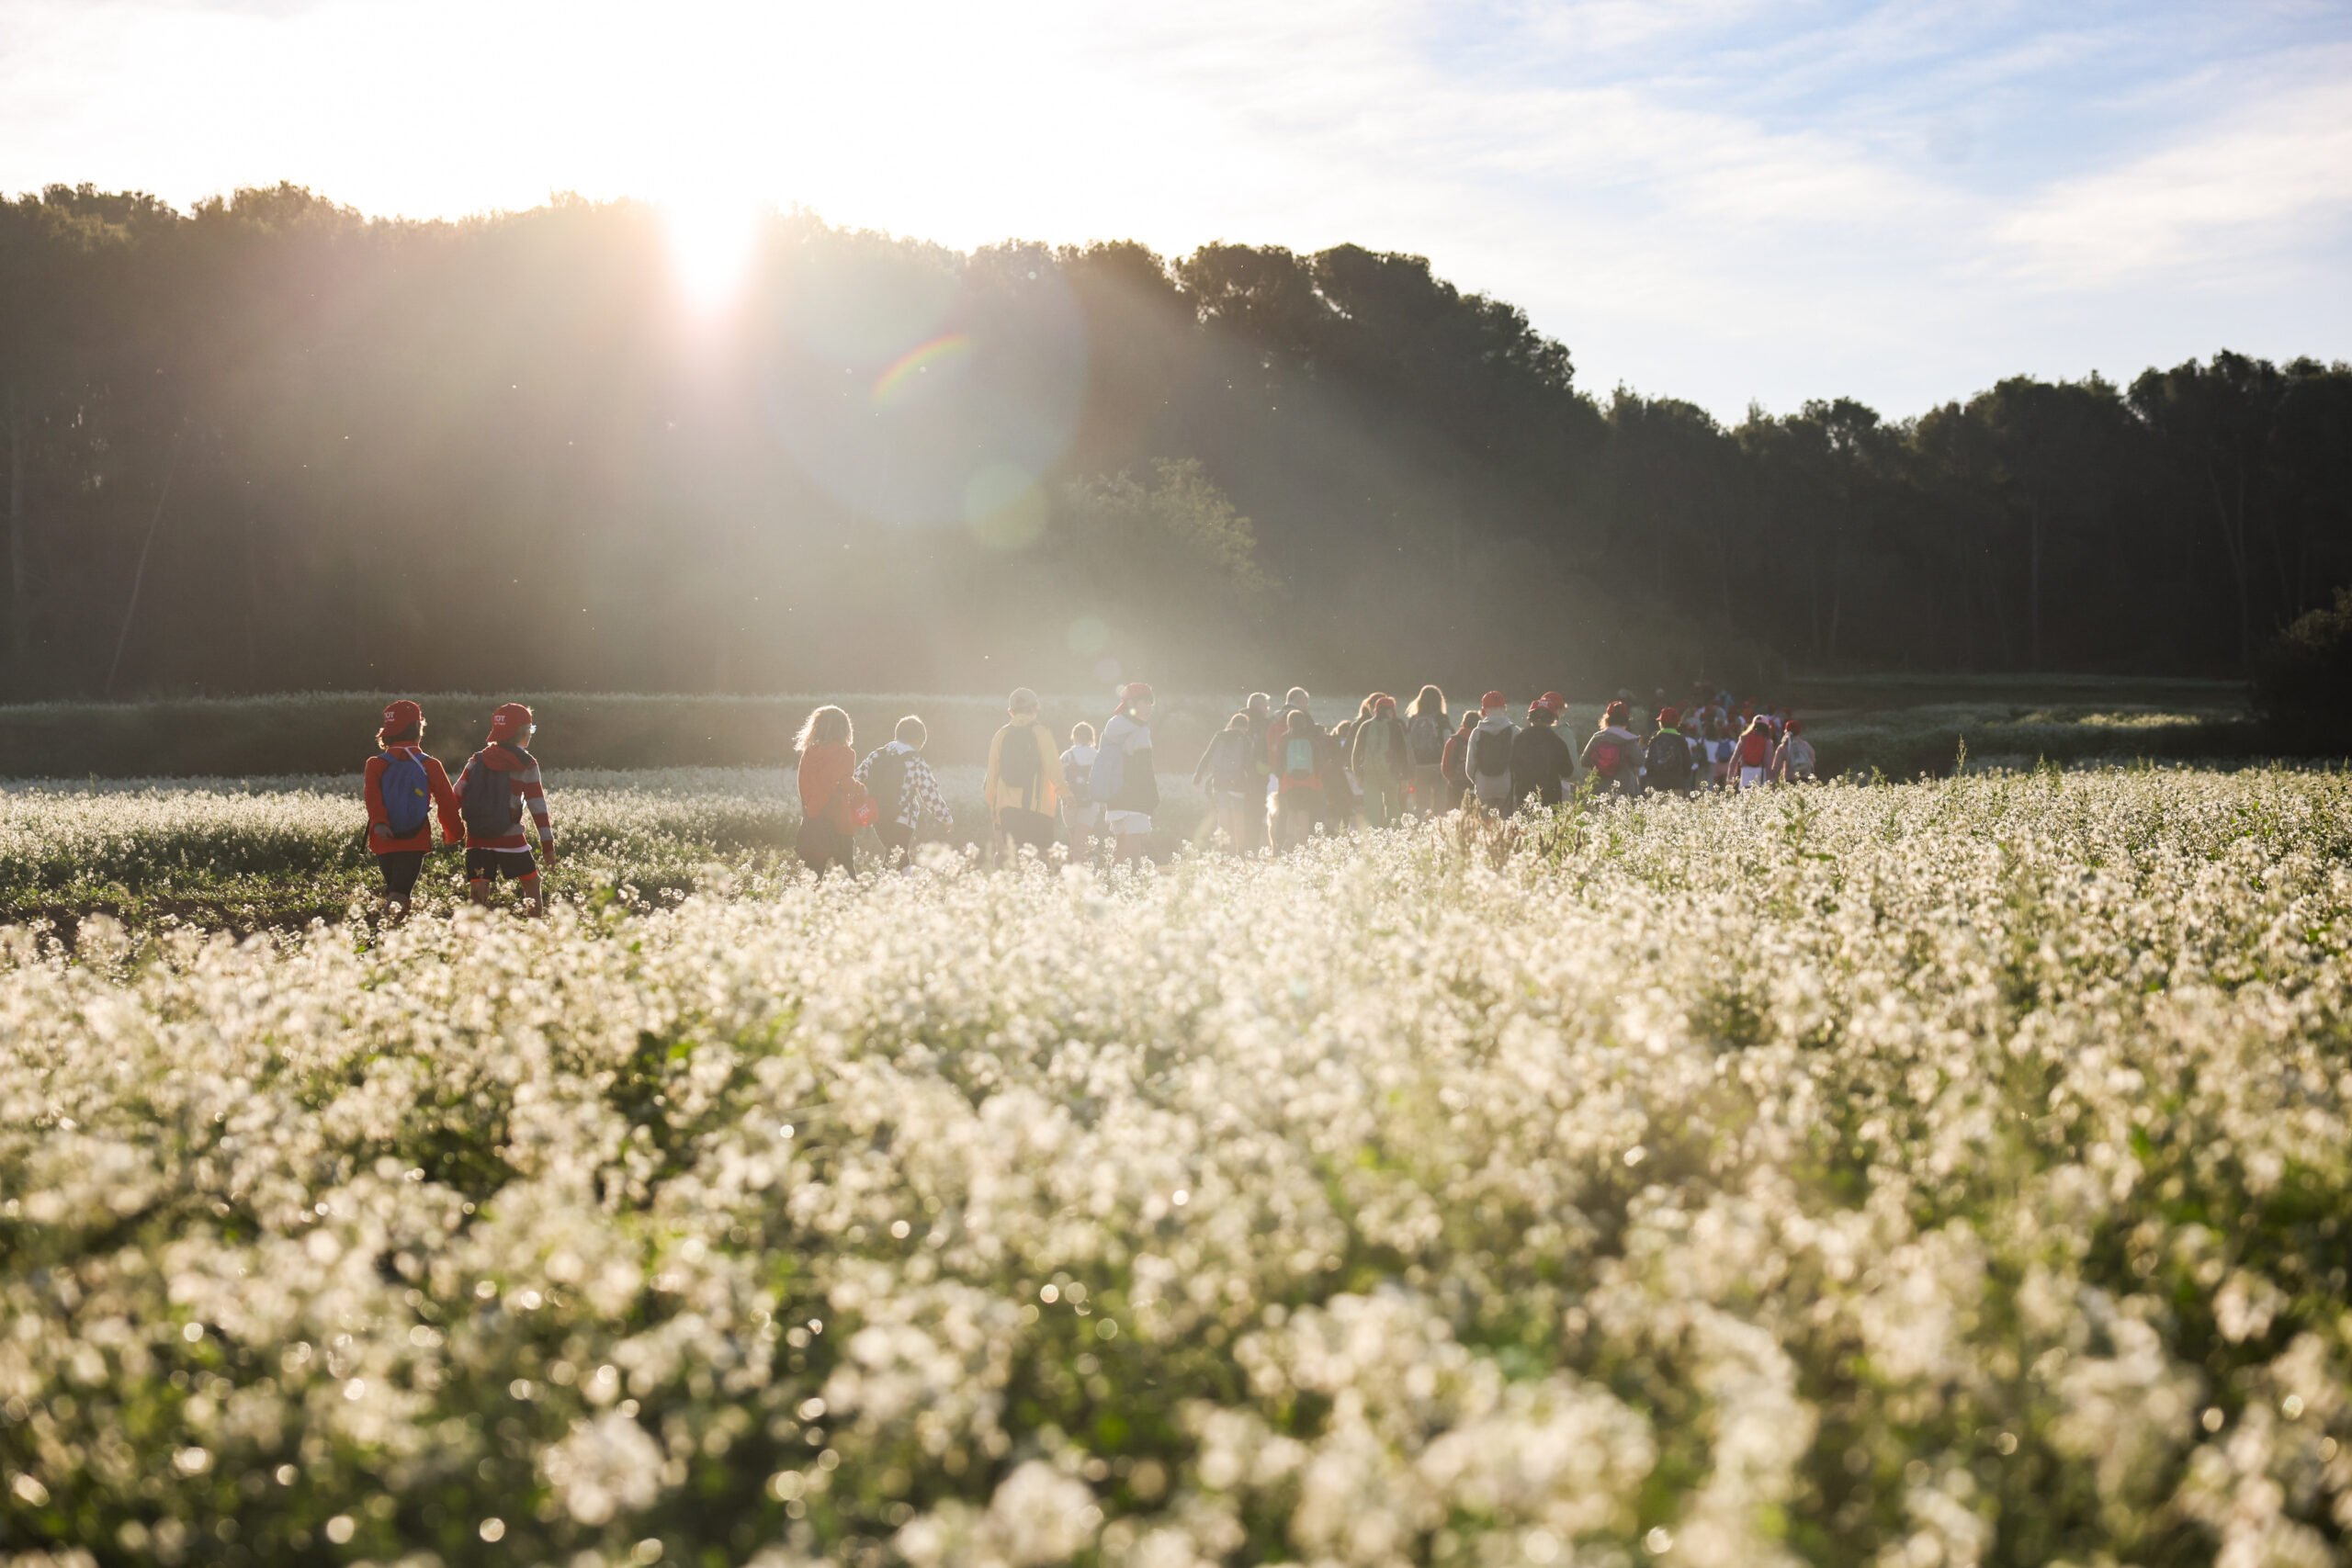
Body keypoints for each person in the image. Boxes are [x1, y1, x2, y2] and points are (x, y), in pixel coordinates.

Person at [452, 702, 559, 914]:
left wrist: (451, 828)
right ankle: (536, 932)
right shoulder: (527, 763)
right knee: (531, 882)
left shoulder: (477, 759)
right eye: (531, 729)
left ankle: (470, 941)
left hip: (477, 837)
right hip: (510, 837)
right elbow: (537, 806)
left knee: (478, 889)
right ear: (523, 732)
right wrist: (547, 843)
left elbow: (457, 793)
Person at [362, 699, 461, 923]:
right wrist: (454, 832)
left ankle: (395, 945)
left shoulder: (376, 764)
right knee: (399, 894)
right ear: (419, 728)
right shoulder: (430, 764)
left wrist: (379, 824)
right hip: (414, 839)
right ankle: (376, 942)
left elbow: (372, 798)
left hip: (383, 840)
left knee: (398, 893)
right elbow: (447, 802)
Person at [984, 688, 1069, 863]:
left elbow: (992, 774)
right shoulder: (1042, 732)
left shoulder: (1000, 735)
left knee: (1012, 857)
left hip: (1008, 809)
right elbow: (1054, 767)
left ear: (1011, 712)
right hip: (1039, 808)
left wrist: (993, 806)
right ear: (1035, 708)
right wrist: (1066, 794)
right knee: (1044, 856)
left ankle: (1010, 889)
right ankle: (1044, 889)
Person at [858, 715, 955, 866]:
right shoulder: (915, 761)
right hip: (903, 818)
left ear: (897, 735)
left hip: (877, 817)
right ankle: (881, 887)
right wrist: (945, 817)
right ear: (919, 741)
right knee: (895, 860)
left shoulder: (877, 754)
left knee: (899, 859)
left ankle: (907, 887)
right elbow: (929, 793)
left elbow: (858, 778)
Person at [792, 704, 865, 876]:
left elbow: (803, 786)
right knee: (847, 873)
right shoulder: (846, 753)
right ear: (844, 730)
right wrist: (860, 789)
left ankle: (807, 903)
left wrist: (811, 808)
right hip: (839, 821)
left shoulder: (808, 754)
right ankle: (851, 903)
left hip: (813, 822)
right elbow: (844, 783)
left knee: (812, 876)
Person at [1094, 682, 1159, 865]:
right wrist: (1153, 797)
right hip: (1135, 793)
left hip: (1114, 794)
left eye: (1150, 703)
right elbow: (1145, 766)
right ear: (1133, 704)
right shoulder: (1141, 730)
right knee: (1134, 844)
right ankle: (1134, 882)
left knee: (1120, 844)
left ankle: (1115, 885)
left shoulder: (1110, 727)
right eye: (1146, 702)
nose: (1149, 708)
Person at [1194, 710, 1262, 852]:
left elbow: (1207, 755)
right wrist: (1254, 783)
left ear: (1231, 724)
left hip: (1219, 783)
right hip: (1238, 784)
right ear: (1246, 727)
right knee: (1239, 817)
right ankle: (1240, 850)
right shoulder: (1245, 739)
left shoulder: (1219, 736)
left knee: (1223, 818)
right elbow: (1248, 764)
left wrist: (1198, 775)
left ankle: (1221, 849)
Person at [1351, 694, 1410, 828]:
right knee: (1392, 805)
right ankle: (1393, 835)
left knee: (1372, 808)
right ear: (1390, 710)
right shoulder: (1395, 726)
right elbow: (1402, 753)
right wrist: (1405, 777)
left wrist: (1358, 775)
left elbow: (1356, 753)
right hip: (1391, 773)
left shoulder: (1365, 726)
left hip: (1370, 774)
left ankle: (1375, 837)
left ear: (1376, 710)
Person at [1509, 693, 1576, 811]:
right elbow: (1567, 771)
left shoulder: (1520, 739)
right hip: (1551, 796)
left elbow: (1512, 766)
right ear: (1553, 719)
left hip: (1524, 794)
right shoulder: (1557, 741)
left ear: (1530, 718)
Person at [1272, 708, 1323, 850]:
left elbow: (1279, 761)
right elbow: (1318, 762)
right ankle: (1304, 845)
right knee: (1304, 812)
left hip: (1289, 783)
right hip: (1308, 782)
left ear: (1289, 723)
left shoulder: (1284, 738)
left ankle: (1289, 844)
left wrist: (1281, 776)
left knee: (1290, 812)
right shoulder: (1311, 739)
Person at [1466, 691, 1519, 813]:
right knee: (1506, 825)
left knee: (1484, 826)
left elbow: (1470, 765)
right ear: (1504, 708)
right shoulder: (1514, 731)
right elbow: (1521, 761)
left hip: (1483, 786)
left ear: (1483, 710)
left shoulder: (1477, 732)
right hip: (1507, 785)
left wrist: (1478, 780)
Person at [1580, 700, 1645, 798]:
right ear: (1626, 720)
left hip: (1600, 792)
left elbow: (1584, 761)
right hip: (1625, 791)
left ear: (1607, 719)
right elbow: (1639, 761)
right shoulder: (1629, 739)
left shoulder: (1597, 737)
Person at [1404, 685, 1449, 817]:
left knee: (1421, 802)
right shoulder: (1442, 718)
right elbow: (1447, 741)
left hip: (1419, 766)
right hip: (1438, 765)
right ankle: (1439, 830)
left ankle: (1420, 829)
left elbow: (1409, 745)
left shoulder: (1413, 719)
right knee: (1440, 801)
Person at [1061, 722, 1102, 863]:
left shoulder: (1067, 756)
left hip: (1069, 803)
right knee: (1082, 842)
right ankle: (1080, 874)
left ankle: (1073, 873)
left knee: (1074, 841)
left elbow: (1058, 779)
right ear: (1092, 738)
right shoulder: (1098, 756)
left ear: (1074, 737)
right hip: (1090, 803)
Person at [1645, 706, 1697, 796]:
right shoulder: (1681, 740)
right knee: (1675, 810)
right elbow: (1688, 763)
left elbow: (1648, 763)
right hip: (1677, 783)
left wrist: (1651, 779)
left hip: (1658, 784)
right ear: (1678, 723)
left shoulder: (1655, 739)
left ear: (1661, 723)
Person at [1439, 708, 1477, 810]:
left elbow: (1445, 768)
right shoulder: (1482, 741)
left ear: (1463, 723)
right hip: (1477, 786)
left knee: (1455, 817)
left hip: (1456, 787)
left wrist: (1452, 779)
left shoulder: (1453, 741)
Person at [1731, 713, 1776, 790]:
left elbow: (1734, 759)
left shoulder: (1744, 738)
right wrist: (1770, 781)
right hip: (1761, 772)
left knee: (1746, 799)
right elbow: (1768, 763)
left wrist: (1730, 778)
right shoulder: (1767, 741)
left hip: (1746, 771)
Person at [1771, 719, 1816, 783]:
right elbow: (1813, 760)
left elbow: (1776, 767)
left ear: (1786, 731)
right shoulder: (1806, 745)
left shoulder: (1783, 747)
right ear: (1800, 731)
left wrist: (1772, 781)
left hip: (1790, 780)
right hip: (1806, 779)